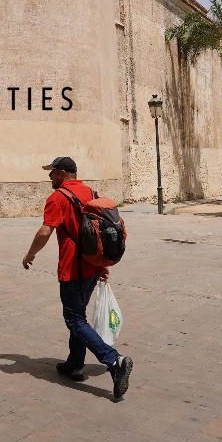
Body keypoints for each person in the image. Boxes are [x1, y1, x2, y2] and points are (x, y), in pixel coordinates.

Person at [21, 156, 133, 401]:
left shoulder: (58, 197)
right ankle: (74, 364)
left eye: (52, 172)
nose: (49, 176)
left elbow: (45, 230)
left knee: (74, 319)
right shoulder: (90, 192)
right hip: (92, 267)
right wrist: (101, 264)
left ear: (62, 173)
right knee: (78, 315)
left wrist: (30, 254)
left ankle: (114, 361)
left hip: (72, 268)